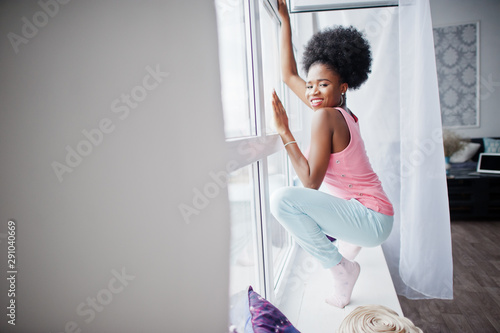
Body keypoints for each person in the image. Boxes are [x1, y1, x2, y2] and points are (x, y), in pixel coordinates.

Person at [270, 0, 394, 309]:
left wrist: (285, 132)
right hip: (373, 213)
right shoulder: (336, 109)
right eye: (310, 85)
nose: (312, 91)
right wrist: (285, 21)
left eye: (322, 84)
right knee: (298, 196)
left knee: (283, 200)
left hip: (371, 219)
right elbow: (288, 75)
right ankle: (349, 244)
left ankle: (341, 269)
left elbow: (311, 183)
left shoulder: (325, 117)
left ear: (343, 86)